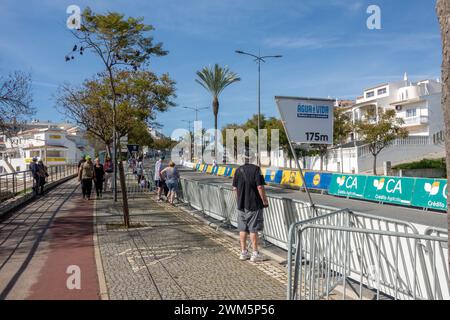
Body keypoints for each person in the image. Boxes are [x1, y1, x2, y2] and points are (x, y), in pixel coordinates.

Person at [232, 149, 269, 262]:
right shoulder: (256, 169)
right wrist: (264, 201)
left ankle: (243, 252)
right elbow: (260, 187)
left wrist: (239, 201)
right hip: (254, 204)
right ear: (253, 158)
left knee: (242, 229)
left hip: (241, 205)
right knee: (253, 229)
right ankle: (255, 253)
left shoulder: (238, 170)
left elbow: (234, 189)